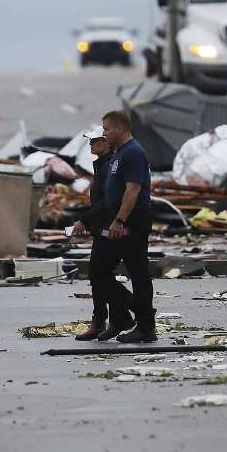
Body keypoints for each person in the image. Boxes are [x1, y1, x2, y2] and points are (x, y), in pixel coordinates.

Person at [97, 109, 157, 343]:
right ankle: (136, 313)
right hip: (118, 218)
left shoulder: (133, 153)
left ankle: (145, 327)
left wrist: (120, 220)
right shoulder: (119, 153)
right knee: (100, 271)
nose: (104, 133)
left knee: (138, 273)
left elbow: (133, 190)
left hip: (131, 220)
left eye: (106, 128)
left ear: (119, 128)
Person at [72, 129, 134, 341]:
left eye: (96, 140)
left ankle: (130, 311)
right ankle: (117, 318)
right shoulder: (103, 164)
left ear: (107, 143)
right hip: (102, 227)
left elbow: (106, 203)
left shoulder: (109, 166)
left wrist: (84, 219)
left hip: (110, 227)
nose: (91, 144)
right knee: (99, 275)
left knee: (98, 274)